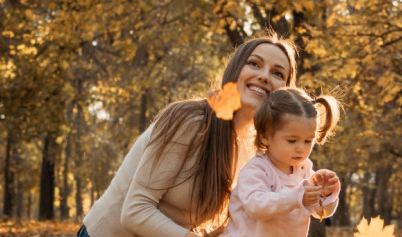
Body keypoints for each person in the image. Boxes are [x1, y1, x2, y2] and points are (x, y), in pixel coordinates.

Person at [79, 35, 299, 237]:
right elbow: (135, 211)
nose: (264, 76)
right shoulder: (190, 121)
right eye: (254, 64)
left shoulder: (259, 152)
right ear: (234, 70)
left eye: (277, 73)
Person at [222, 87, 342, 237]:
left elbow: (320, 213)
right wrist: (297, 197)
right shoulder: (256, 169)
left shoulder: (304, 170)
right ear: (266, 136)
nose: (300, 148)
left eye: (308, 141)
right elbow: (256, 206)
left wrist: (326, 195)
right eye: (292, 141)